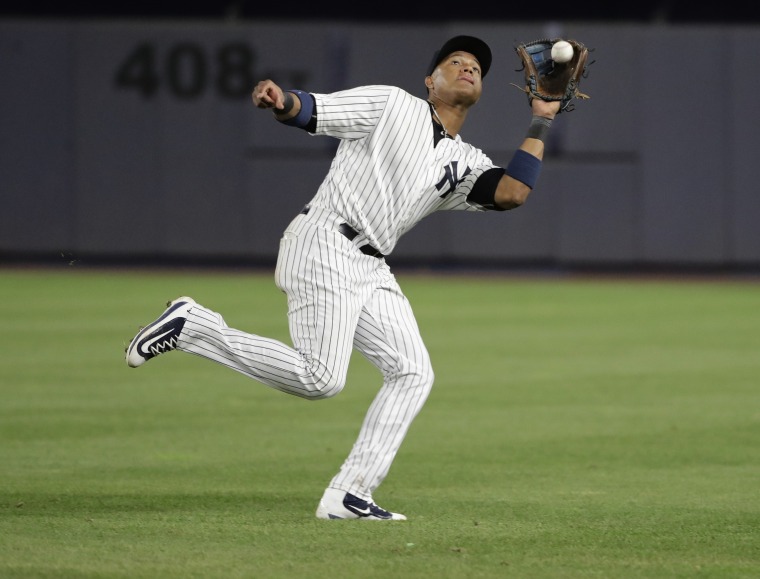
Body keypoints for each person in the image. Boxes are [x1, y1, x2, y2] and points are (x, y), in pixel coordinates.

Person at [125, 35, 561, 521]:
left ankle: (350, 494)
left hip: (371, 266)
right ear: (429, 81)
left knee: (413, 371)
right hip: (325, 241)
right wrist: (283, 100)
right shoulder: (392, 104)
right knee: (321, 379)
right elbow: (315, 111)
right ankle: (195, 327)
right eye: (454, 61)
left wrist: (542, 118)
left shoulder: (466, 161)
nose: (468, 67)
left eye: (476, 66)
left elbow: (513, 191)